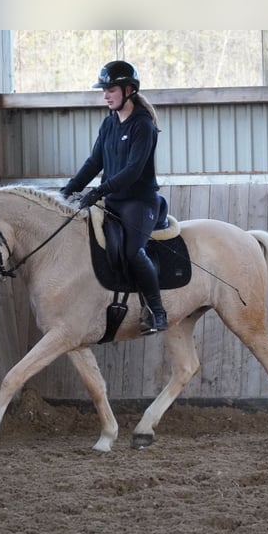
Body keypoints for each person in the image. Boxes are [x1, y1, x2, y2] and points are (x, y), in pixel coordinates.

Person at [60, 60, 168, 335]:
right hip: (113, 201)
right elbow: (94, 161)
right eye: (104, 89)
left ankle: (157, 310)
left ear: (128, 90)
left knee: (132, 251)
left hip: (139, 202)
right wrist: (69, 189)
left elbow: (133, 171)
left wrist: (98, 191)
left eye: (111, 89)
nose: (105, 94)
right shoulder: (108, 124)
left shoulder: (142, 126)